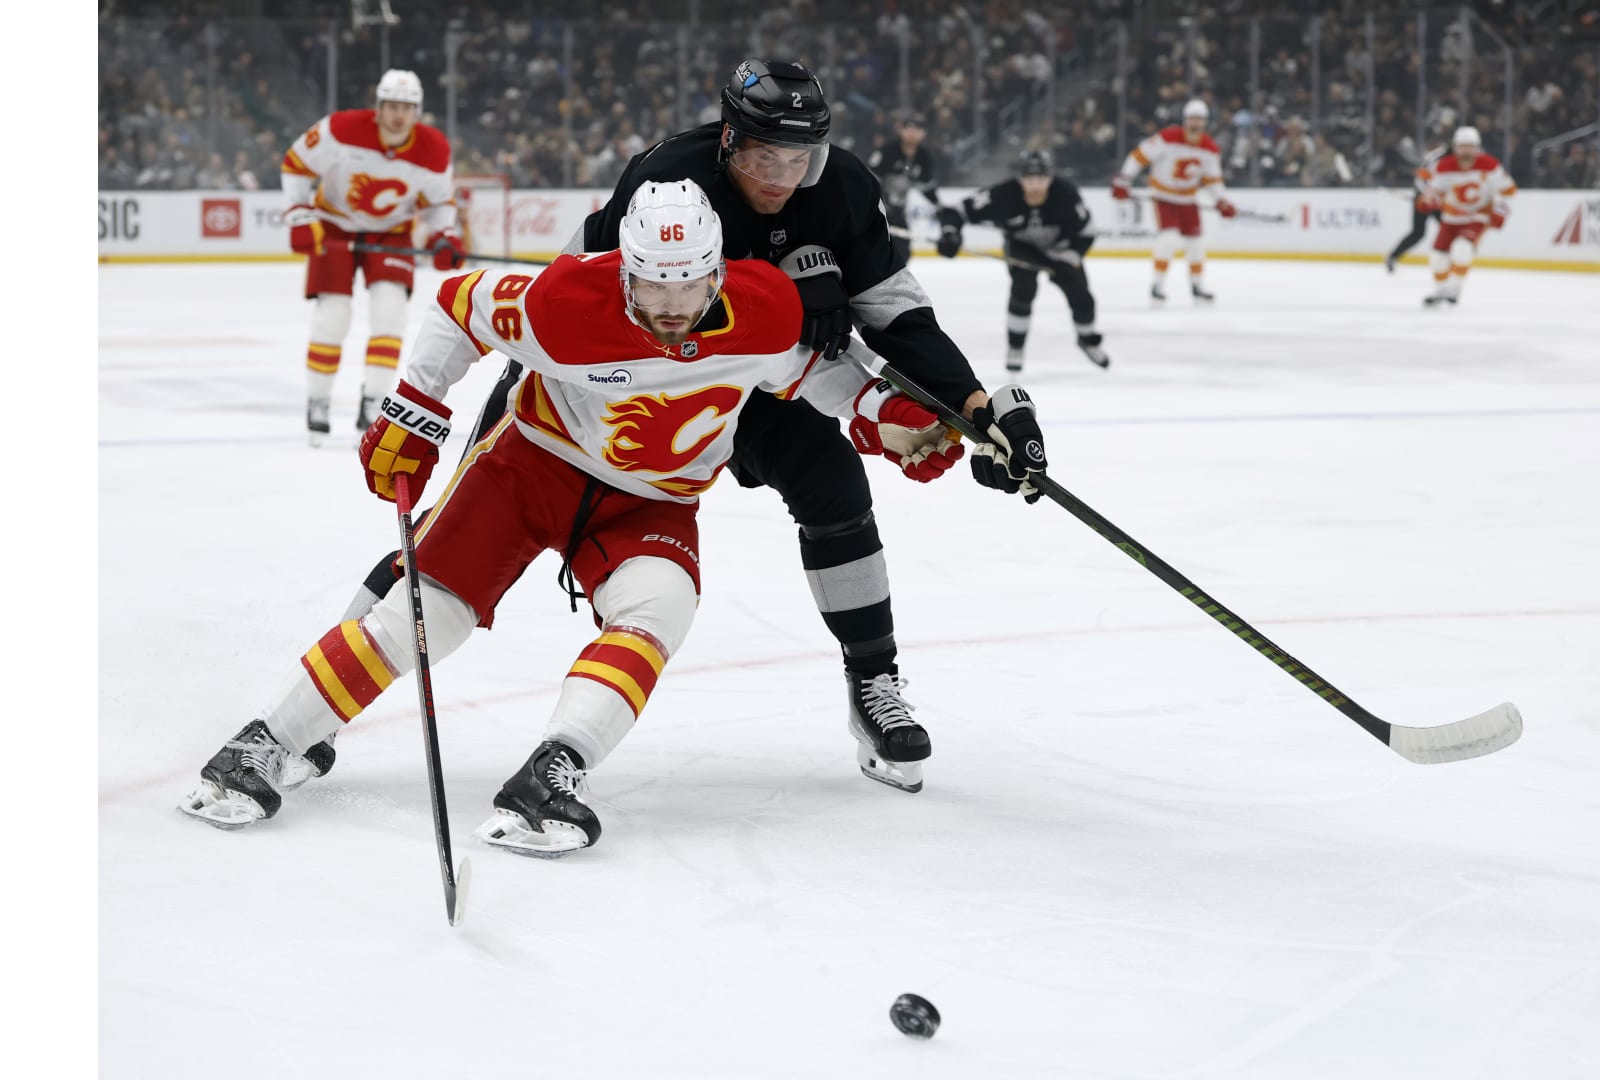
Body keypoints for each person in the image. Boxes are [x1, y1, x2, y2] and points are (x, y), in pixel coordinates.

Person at [177, 181, 960, 856]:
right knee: (430, 617)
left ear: (719, 273)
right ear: (624, 270)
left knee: (661, 608)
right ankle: (262, 744)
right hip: (530, 470)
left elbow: (811, 370)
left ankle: (552, 773)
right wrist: (414, 408)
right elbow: (457, 306)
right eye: (651, 288)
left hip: (652, 500)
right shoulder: (564, 302)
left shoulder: (762, 309)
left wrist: (888, 417)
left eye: (688, 288)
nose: (670, 310)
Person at [341, 58, 1048, 796]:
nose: (781, 178)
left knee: (836, 483)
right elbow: (588, 302)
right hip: (616, 378)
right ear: (728, 140)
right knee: (457, 521)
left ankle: (873, 681)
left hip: (751, 379)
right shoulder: (667, 181)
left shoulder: (842, 187)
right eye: (763, 157)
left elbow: (896, 313)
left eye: (799, 160)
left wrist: (974, 410)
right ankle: (340, 664)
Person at [279, 69, 465, 443]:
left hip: (391, 232)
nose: (399, 115)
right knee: (332, 316)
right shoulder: (341, 129)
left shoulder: (433, 148)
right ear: (378, 107)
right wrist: (299, 214)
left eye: (406, 108)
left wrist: (444, 234)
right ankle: (318, 400)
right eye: (392, 106)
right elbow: (296, 164)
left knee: (390, 312)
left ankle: (374, 400)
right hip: (334, 226)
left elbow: (438, 203)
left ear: (417, 112)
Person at [934, 150, 1108, 373]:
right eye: (1029, 178)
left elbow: (1087, 232)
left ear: (1050, 177)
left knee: (1081, 295)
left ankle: (1088, 340)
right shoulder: (1002, 194)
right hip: (1022, 249)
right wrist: (950, 234)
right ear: (1019, 178)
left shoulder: (1067, 195)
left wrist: (1070, 257)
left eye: (1041, 178)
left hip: (1061, 250)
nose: (1035, 185)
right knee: (1023, 289)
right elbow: (955, 212)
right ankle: (1016, 346)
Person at [1114, 99, 1237, 304]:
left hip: (1188, 199)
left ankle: (1197, 285)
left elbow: (1213, 181)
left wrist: (1223, 201)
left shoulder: (1209, 148)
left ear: (1205, 122)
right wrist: (1123, 180)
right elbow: (1139, 156)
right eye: (1192, 119)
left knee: (1196, 243)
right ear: (1185, 120)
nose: (1195, 123)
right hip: (1164, 197)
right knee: (1169, 239)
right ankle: (1158, 284)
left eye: (1199, 119)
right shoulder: (1168, 137)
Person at [1417, 126, 1517, 307]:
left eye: (1470, 146)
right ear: (1455, 147)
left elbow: (1509, 191)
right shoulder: (1444, 166)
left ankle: (1454, 289)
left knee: (1462, 249)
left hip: (1477, 218)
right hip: (1450, 218)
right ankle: (1441, 290)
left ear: (1477, 147)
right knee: (1438, 257)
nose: (1466, 151)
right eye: (1462, 146)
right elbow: (1433, 191)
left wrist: (1500, 212)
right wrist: (1427, 200)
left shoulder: (1490, 165)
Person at [866, 114, 943, 269]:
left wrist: (940, 208)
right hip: (874, 210)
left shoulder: (924, 157)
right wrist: (878, 207)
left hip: (897, 211)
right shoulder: (886, 152)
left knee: (903, 251)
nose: (912, 133)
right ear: (900, 130)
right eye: (909, 128)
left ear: (924, 133)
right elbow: (868, 181)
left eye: (917, 129)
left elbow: (927, 186)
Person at [1386, 142, 1446, 273]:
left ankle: (1448, 262)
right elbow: (1420, 179)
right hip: (1424, 200)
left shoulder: (1463, 159)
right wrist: (1428, 195)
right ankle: (1393, 256)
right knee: (1418, 232)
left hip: (1440, 202)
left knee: (1449, 230)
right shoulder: (1437, 157)